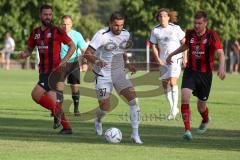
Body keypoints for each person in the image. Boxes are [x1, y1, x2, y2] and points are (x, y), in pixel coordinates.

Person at [84, 11, 143, 144]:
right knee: (105, 107)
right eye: (116, 25)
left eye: (121, 25)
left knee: (134, 101)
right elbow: (87, 54)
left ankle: (135, 135)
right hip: (102, 75)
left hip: (119, 73)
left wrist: (128, 64)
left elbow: (122, 50)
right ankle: (98, 120)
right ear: (110, 23)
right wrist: (97, 61)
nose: (119, 28)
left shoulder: (126, 34)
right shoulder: (101, 35)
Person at [166, 11, 225, 140]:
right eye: (195, 23)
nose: (196, 25)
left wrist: (221, 66)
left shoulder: (212, 35)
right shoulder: (190, 33)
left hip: (205, 75)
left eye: (199, 23)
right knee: (185, 97)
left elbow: (220, 53)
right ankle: (187, 130)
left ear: (205, 23)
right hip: (190, 71)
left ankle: (206, 119)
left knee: (201, 106)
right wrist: (171, 54)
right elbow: (185, 46)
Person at [19, 4, 76, 134]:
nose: (48, 17)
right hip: (43, 72)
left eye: (50, 15)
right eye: (45, 14)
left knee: (36, 95)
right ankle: (66, 127)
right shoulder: (35, 33)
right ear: (40, 16)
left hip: (54, 72)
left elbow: (72, 45)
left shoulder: (57, 31)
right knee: (53, 102)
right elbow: (29, 48)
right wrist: (25, 53)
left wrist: (64, 61)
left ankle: (57, 115)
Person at [150, 8, 186, 120]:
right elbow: (153, 46)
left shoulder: (176, 28)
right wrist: (158, 59)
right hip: (163, 60)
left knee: (172, 82)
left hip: (175, 58)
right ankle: (173, 108)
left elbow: (184, 43)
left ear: (169, 17)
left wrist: (185, 57)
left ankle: (174, 108)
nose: (162, 18)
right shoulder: (155, 30)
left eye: (165, 16)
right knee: (165, 85)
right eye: (160, 16)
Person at [58, 15, 87, 116]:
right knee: (59, 87)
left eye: (68, 24)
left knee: (75, 88)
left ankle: (76, 108)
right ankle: (58, 110)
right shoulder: (56, 34)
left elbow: (84, 49)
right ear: (61, 24)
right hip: (60, 64)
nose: (66, 26)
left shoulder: (77, 35)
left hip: (73, 64)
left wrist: (85, 61)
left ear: (72, 24)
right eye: (64, 24)